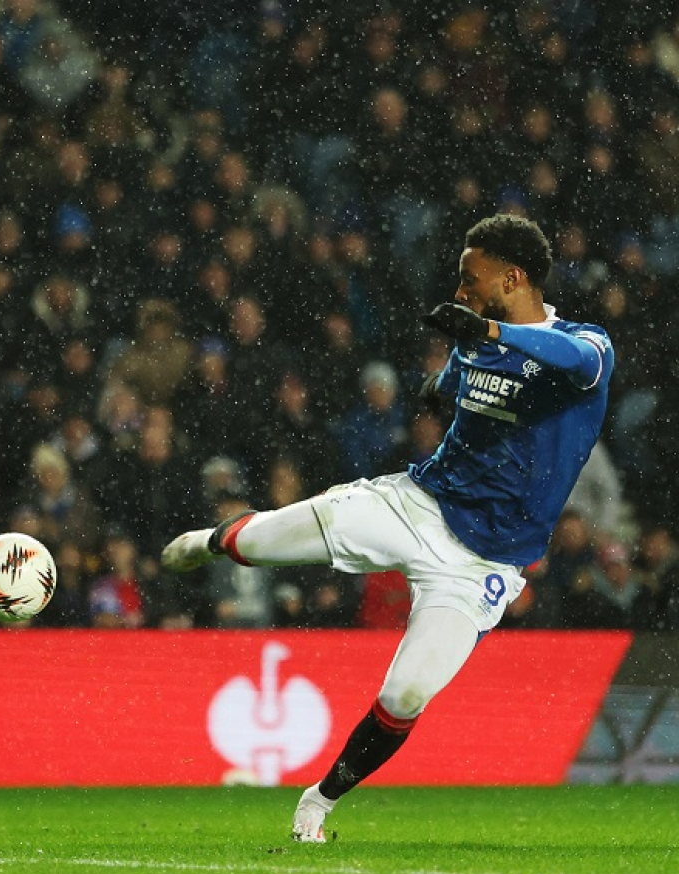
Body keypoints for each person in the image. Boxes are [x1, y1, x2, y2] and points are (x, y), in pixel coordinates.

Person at [161, 214, 614, 842]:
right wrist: (442, 381)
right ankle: (211, 541)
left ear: (512, 278)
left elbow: (577, 359)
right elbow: (454, 388)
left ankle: (317, 803)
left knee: (405, 695)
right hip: (417, 504)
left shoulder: (585, 346)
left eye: (470, 279)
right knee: (261, 543)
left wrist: (488, 330)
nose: (460, 291)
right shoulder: (474, 341)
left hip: (483, 566)